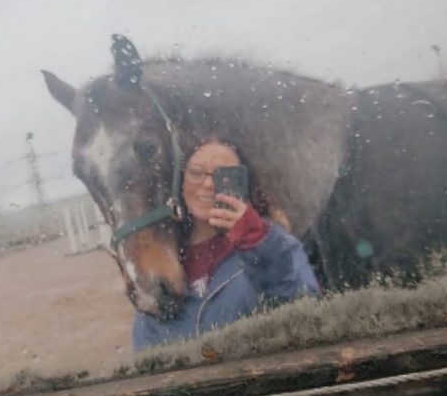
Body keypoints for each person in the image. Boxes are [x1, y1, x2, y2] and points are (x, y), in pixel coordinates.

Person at [132, 140, 320, 351]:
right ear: (179, 183)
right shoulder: (160, 262)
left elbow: (305, 307)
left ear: (244, 184)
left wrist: (258, 242)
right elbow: (145, 346)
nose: (208, 184)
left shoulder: (274, 243)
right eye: (196, 172)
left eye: (224, 176)